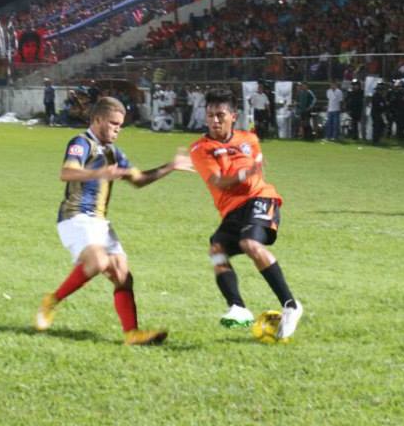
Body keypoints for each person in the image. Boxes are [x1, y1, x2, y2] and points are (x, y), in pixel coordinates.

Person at [34, 97, 194, 345]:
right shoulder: (81, 142)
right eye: (113, 124)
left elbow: (138, 180)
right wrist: (99, 172)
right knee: (98, 261)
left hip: (100, 222)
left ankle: (132, 334)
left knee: (122, 275)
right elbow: (66, 172)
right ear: (98, 120)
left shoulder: (114, 152)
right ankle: (51, 301)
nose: (118, 129)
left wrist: (171, 166)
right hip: (75, 217)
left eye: (120, 125)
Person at [188, 88, 303, 339]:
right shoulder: (200, 148)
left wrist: (249, 175)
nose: (214, 121)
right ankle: (238, 307)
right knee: (217, 250)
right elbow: (218, 181)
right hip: (232, 210)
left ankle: (291, 305)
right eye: (210, 115)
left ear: (233, 116)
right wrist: (245, 173)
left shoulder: (249, 139)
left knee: (249, 243)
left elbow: (254, 176)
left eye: (220, 115)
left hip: (260, 198)